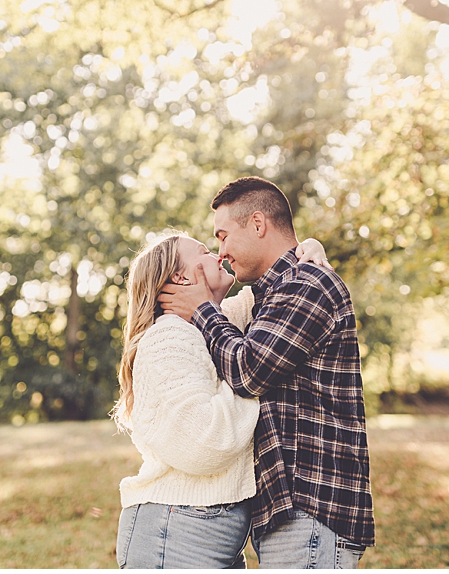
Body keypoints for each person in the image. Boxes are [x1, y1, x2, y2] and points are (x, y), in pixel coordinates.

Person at [158, 176, 374, 569]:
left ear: (258, 224)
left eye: (223, 236)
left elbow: (249, 370)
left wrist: (202, 308)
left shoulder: (308, 283)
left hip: (312, 505)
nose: (221, 252)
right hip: (289, 511)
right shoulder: (270, 296)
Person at [112, 230, 330, 569]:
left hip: (208, 530)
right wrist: (253, 380)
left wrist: (309, 248)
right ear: (181, 276)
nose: (218, 254)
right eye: (202, 250)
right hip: (174, 531)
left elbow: (276, 293)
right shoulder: (167, 338)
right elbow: (203, 443)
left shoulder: (215, 320)